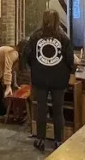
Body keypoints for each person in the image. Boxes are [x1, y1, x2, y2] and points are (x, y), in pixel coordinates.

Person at [24, 9, 75, 151]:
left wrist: (34, 66)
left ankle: (40, 140)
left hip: (40, 78)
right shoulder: (64, 38)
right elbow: (70, 59)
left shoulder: (35, 36)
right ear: (58, 20)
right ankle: (58, 141)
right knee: (58, 110)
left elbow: (27, 54)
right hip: (59, 79)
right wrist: (67, 70)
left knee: (41, 110)